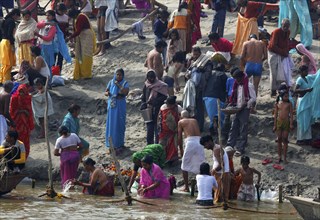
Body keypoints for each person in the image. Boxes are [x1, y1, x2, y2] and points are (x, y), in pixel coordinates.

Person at [35, 10, 71, 83]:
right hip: (42, 46)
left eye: (49, 15)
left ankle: (50, 81)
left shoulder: (53, 26)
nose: (47, 17)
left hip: (49, 47)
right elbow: (38, 25)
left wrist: (39, 35)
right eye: (46, 15)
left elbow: (49, 38)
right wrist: (47, 23)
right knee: (42, 64)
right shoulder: (45, 23)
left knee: (49, 65)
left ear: (53, 16)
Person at [226, 69, 256, 156]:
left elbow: (253, 98)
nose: (237, 81)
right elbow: (235, 97)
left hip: (245, 109)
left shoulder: (249, 85)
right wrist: (231, 103)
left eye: (238, 79)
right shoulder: (237, 85)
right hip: (236, 108)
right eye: (235, 79)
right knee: (233, 127)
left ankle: (240, 148)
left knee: (243, 129)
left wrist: (245, 104)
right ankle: (230, 146)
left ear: (242, 77)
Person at [185, 47, 213, 132]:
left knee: (200, 108)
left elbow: (208, 75)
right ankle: (192, 126)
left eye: (197, 54)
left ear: (200, 53)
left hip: (201, 88)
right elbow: (187, 71)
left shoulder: (206, 61)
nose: (195, 56)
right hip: (192, 88)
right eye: (194, 54)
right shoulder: (192, 61)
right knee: (192, 107)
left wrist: (201, 71)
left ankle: (199, 127)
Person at [178, 110, 205, 192]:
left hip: (190, 142)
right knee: (201, 164)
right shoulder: (195, 120)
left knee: (184, 165)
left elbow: (179, 138)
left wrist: (181, 150)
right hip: (199, 142)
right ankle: (202, 186)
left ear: (181, 116)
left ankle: (186, 187)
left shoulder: (181, 121)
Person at [67, 9, 96, 80]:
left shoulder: (81, 17)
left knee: (86, 54)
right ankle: (82, 73)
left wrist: (70, 37)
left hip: (86, 36)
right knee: (80, 54)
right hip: (82, 36)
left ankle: (86, 74)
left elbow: (78, 30)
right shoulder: (80, 17)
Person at [200, 135, 230, 203]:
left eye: (205, 144)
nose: (205, 147)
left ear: (209, 141)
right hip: (221, 174)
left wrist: (213, 171)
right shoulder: (216, 148)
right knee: (220, 197)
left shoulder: (216, 149)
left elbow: (222, 165)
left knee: (219, 198)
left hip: (221, 175)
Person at [105, 68, 129, 152]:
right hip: (112, 106)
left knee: (119, 125)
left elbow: (125, 92)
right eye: (117, 74)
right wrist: (108, 93)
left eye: (120, 75)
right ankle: (111, 144)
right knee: (111, 125)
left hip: (120, 106)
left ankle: (119, 144)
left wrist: (118, 85)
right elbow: (106, 91)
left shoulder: (125, 83)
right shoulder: (111, 82)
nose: (118, 76)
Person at [141, 70, 168, 145]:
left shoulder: (161, 85)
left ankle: (157, 144)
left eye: (153, 78)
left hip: (158, 110)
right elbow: (143, 97)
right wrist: (143, 103)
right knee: (149, 128)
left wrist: (154, 101)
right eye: (150, 78)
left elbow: (164, 97)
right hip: (148, 110)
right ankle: (149, 144)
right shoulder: (146, 85)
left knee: (157, 128)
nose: (151, 80)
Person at [10, 84, 34, 159]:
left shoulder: (28, 99)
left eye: (23, 92)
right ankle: (16, 156)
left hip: (25, 123)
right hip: (17, 122)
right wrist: (20, 111)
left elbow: (29, 111)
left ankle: (24, 156)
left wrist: (24, 111)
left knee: (25, 139)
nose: (21, 94)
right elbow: (12, 111)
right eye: (20, 92)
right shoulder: (14, 98)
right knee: (16, 139)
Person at [268, 19, 291, 97]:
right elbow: (273, 46)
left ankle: (279, 88)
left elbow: (286, 43)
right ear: (281, 25)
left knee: (280, 71)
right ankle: (273, 90)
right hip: (273, 53)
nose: (285, 28)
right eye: (284, 26)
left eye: (287, 26)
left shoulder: (288, 32)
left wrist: (286, 51)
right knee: (273, 72)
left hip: (281, 52)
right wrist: (283, 52)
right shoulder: (276, 32)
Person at [202, 63, 228, 135]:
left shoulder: (211, 75)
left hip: (207, 97)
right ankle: (219, 132)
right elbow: (225, 89)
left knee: (212, 117)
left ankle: (213, 131)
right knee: (220, 117)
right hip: (218, 98)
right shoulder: (224, 76)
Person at [294, 65, 315, 146]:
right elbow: (295, 90)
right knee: (301, 120)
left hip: (307, 102)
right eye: (305, 71)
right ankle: (300, 138)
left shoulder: (307, 78)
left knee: (307, 119)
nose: (307, 72)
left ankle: (307, 138)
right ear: (302, 72)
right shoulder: (300, 79)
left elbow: (314, 77)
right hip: (302, 101)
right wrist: (306, 90)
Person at [158, 96, 182, 163]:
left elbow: (183, 116)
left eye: (169, 105)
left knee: (173, 145)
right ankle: (163, 159)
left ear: (173, 104)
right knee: (162, 145)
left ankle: (172, 160)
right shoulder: (163, 107)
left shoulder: (178, 108)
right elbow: (159, 117)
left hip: (173, 131)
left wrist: (179, 127)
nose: (167, 106)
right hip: (163, 130)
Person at [0, 8, 20, 84]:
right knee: (8, 64)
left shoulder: (5, 20)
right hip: (8, 43)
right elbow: (10, 35)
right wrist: (12, 45)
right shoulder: (11, 22)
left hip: (2, 42)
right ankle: (6, 81)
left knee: (4, 63)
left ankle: (1, 79)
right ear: (15, 15)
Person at [273, 89, 293, 164]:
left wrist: (291, 124)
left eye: (288, 96)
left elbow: (291, 115)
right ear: (281, 96)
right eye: (285, 96)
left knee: (285, 139)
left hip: (286, 122)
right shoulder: (278, 103)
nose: (287, 97)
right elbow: (275, 115)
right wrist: (274, 125)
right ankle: (279, 157)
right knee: (279, 139)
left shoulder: (289, 104)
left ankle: (284, 157)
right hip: (279, 122)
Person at [55, 3, 70, 72]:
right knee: (53, 56)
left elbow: (67, 28)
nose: (60, 12)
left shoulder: (66, 17)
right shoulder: (54, 16)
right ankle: (52, 72)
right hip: (54, 39)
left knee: (60, 57)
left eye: (62, 10)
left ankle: (58, 72)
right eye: (59, 10)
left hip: (63, 39)